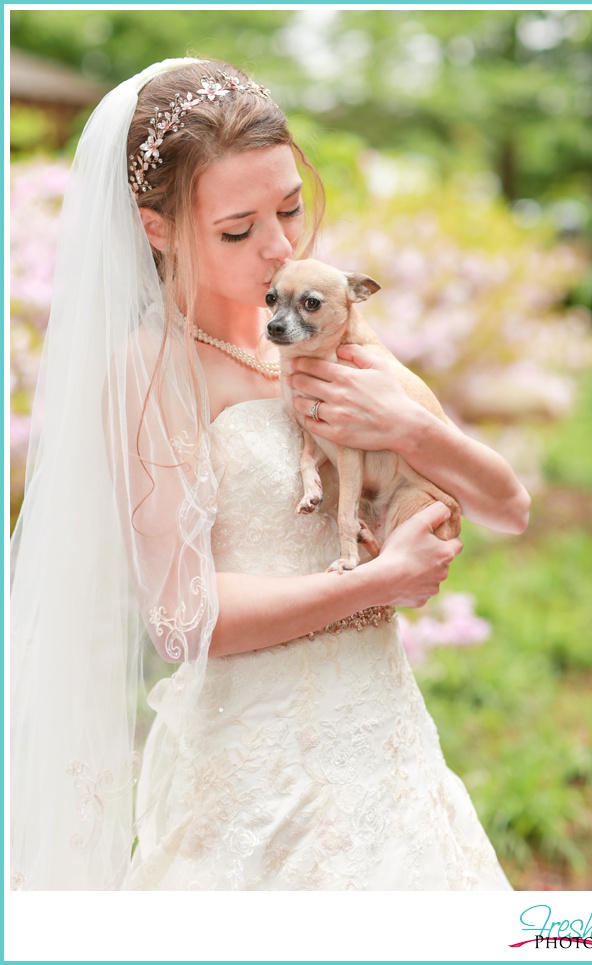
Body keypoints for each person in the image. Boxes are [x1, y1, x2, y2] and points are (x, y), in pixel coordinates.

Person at [9, 58, 529, 890]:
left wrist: (411, 428)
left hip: (386, 745)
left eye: (289, 209)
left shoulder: (336, 337)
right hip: (254, 771)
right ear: (158, 228)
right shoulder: (151, 373)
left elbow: (508, 505)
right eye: (238, 228)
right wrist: (379, 579)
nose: (280, 247)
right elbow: (183, 618)